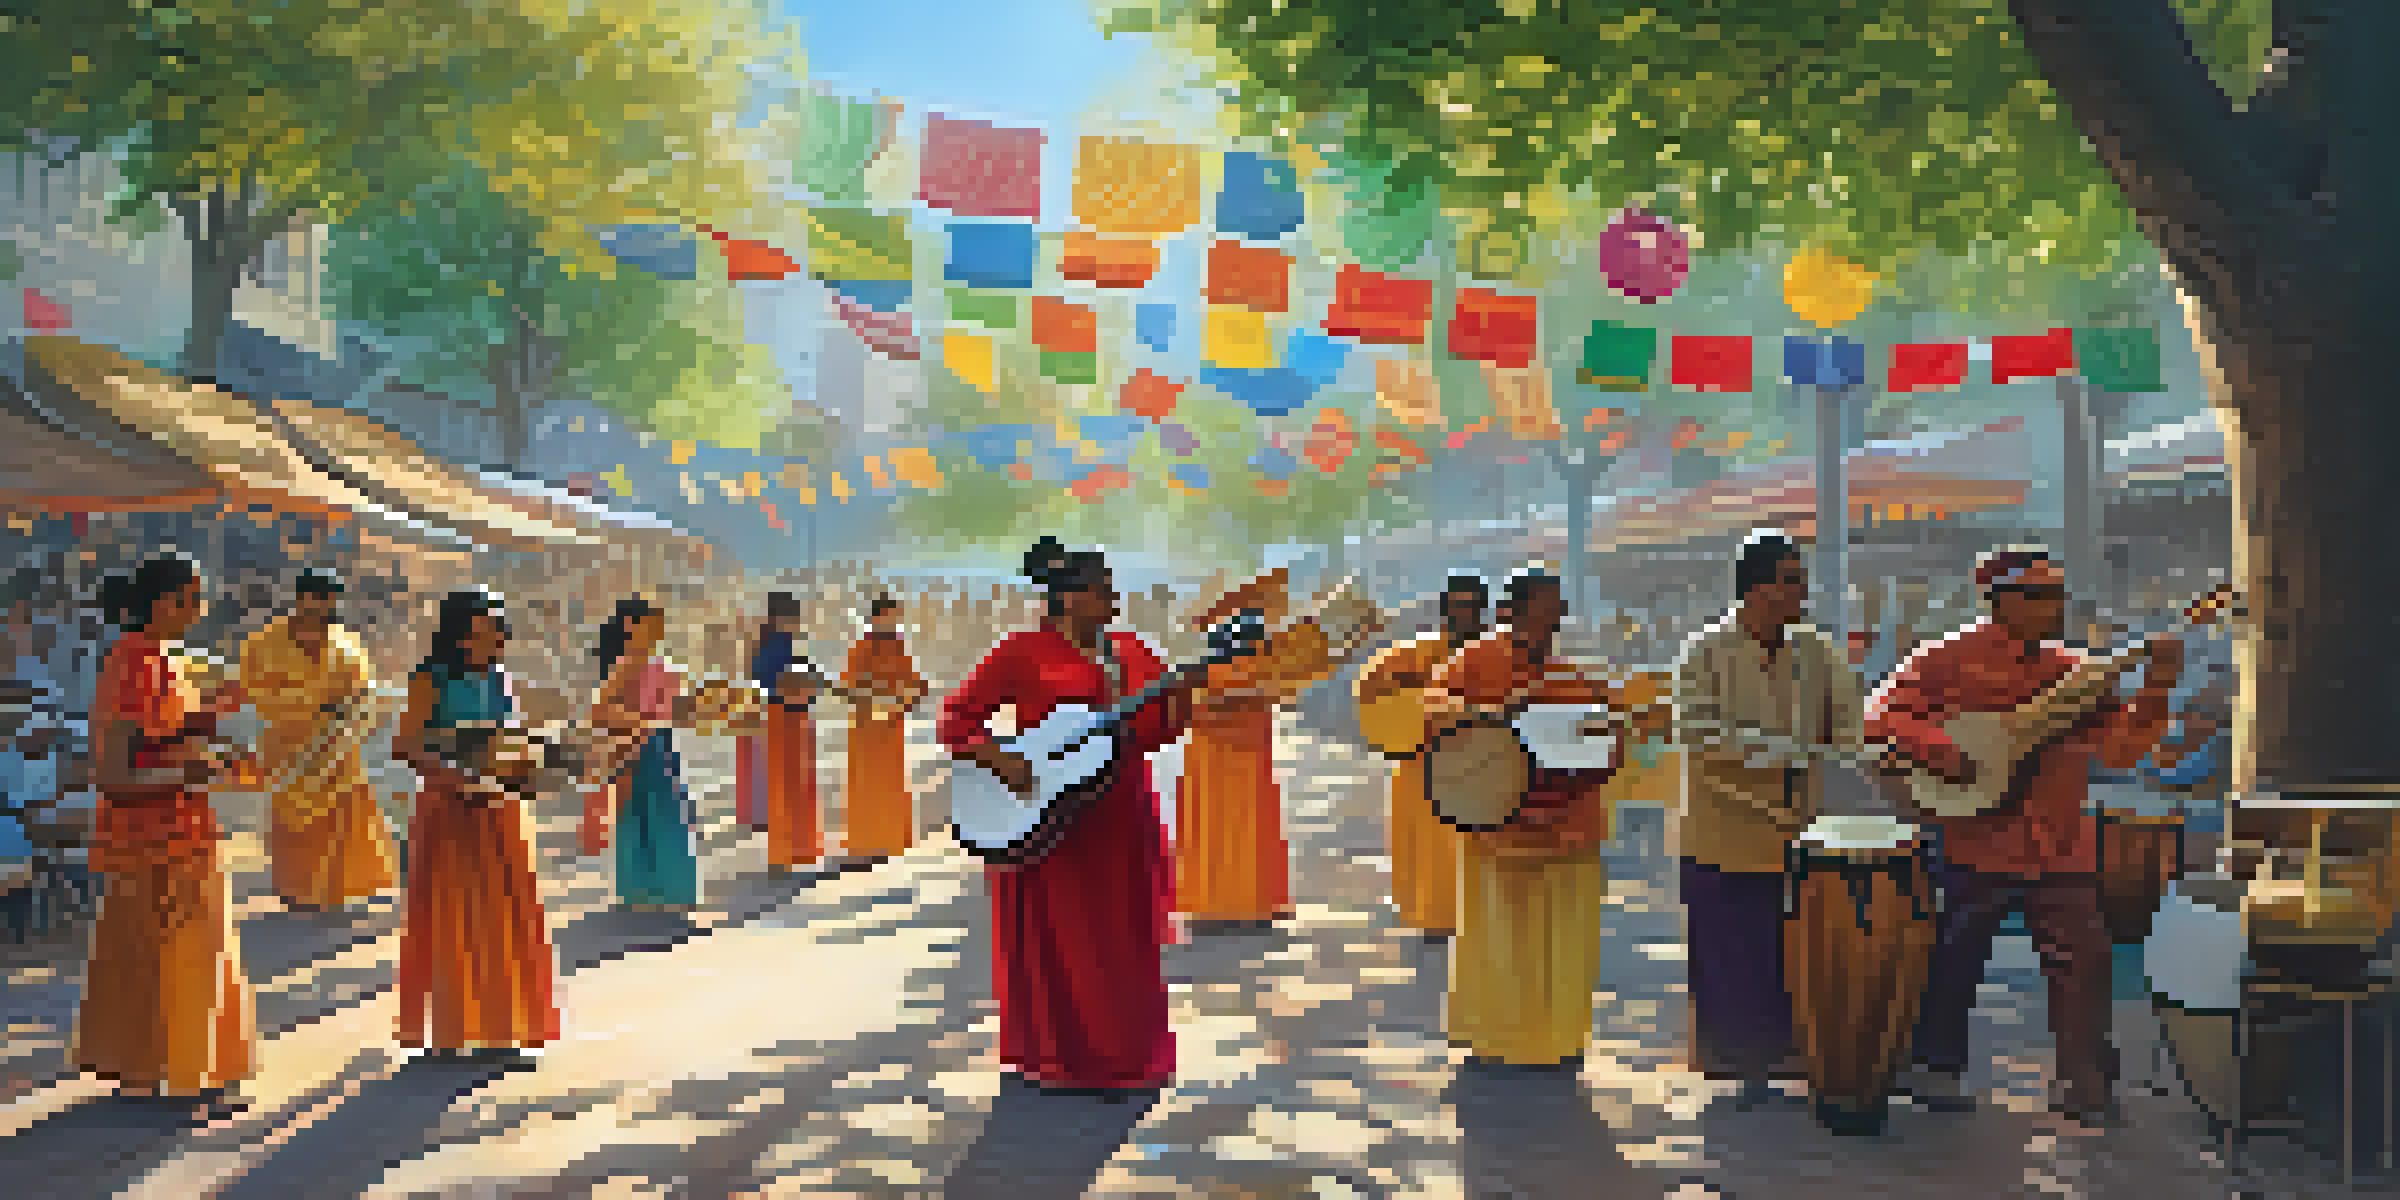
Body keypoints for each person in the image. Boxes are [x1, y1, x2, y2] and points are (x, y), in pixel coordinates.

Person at [1870, 547, 2179, 1128]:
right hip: (1976, 836)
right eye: (2039, 595)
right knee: (1955, 955)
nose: (2054, 605)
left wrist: (2157, 688)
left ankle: (2083, 1082)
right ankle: (1933, 1067)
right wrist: (1943, 751)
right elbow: (1883, 716)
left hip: (2059, 841)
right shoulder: (1946, 659)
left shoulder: (2077, 673)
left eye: (2057, 593)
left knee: (2085, 959)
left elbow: (2120, 751)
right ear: (2000, 600)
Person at [934, 537, 1200, 1096]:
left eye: (1111, 588)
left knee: (1123, 934)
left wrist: (1187, 695)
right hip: (1048, 812)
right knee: (1063, 936)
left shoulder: (1131, 651)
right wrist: (999, 755)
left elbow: (1154, 729)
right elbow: (958, 718)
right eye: (1101, 590)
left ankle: (1129, 1055)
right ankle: (1056, 1057)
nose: (1113, 599)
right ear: (1067, 598)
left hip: (1120, 809)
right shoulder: (1021, 651)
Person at [1671, 531, 1865, 1108]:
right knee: (1728, 947)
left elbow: (1850, 724)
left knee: (1790, 946)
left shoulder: (1818, 650)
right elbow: (1697, 736)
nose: (1801, 589)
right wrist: (1788, 750)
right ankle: (1730, 1058)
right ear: (1754, 588)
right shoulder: (1703, 651)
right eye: (1789, 578)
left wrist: (1865, 754)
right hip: (1720, 829)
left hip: (1799, 829)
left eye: (1800, 577)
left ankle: (1785, 1051)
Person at [72, 554, 256, 1117]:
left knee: (157, 955)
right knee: (179, 957)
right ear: (162, 603)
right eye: (191, 599)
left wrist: (210, 721)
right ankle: (181, 1075)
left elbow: (165, 734)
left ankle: (159, 1069)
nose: (199, 610)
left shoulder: (161, 660)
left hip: (180, 830)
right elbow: (115, 774)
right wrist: (192, 770)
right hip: (155, 837)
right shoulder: (133, 664)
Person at [1430, 565, 1628, 1067]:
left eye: (1555, 613)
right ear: (1508, 613)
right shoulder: (1470, 663)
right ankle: (1497, 1040)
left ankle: (1557, 1040)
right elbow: (1433, 713)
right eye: (1540, 613)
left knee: (1565, 939)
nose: (1551, 623)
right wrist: (1498, 714)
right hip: (1499, 827)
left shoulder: (1571, 674)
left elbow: (1604, 735)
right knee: (1499, 934)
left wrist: (1613, 723)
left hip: (1569, 827)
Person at [390, 589, 557, 1061]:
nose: (501, 633)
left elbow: (509, 739)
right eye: (490, 625)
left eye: (501, 624)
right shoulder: (432, 678)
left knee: (505, 919)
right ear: (463, 633)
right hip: (451, 810)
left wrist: (536, 761)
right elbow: (405, 745)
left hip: (502, 809)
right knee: (453, 920)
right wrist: (458, 779)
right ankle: (452, 1033)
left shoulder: (501, 677)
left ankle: (503, 1031)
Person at [1174, 568, 1340, 927]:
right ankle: (1250, 904)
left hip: (1218, 759)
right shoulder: (1258, 669)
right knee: (1246, 831)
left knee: (1216, 832)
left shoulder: (1214, 672)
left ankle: (1212, 905)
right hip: (1239, 758)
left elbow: (1193, 708)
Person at [238, 568, 397, 912]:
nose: (322, 609)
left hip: (339, 747)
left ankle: (336, 892)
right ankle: (295, 891)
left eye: (329, 602)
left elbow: (363, 693)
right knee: (294, 823)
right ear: (299, 600)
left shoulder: (347, 643)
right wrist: (313, 705)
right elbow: (256, 694)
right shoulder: (264, 643)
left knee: (341, 819)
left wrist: (352, 715)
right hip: (289, 749)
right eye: (315, 600)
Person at [1353, 573, 1490, 937]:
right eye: (1457, 606)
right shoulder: (1410, 655)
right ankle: (1433, 918)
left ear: (1484, 612)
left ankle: (1482, 917)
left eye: (1472, 607)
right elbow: (1372, 695)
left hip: (1485, 767)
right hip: (1423, 769)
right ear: (1445, 611)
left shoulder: (1498, 657)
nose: (1464, 614)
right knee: (1429, 851)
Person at [591, 597, 699, 910]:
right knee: (638, 818)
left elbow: (678, 712)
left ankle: (673, 891)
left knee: (669, 817)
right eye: (652, 623)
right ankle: (642, 893)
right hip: (635, 750)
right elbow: (600, 712)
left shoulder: (662, 666)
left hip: (662, 748)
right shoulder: (625, 665)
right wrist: (642, 721)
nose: (658, 629)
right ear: (632, 627)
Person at [840, 594, 927, 861]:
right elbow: (848, 685)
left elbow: (910, 680)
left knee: (890, 780)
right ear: (876, 618)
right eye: (889, 616)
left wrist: (914, 692)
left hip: (890, 724)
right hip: (867, 725)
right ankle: (865, 840)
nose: (893, 621)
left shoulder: (899, 647)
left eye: (896, 617)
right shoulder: (862, 647)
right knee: (867, 781)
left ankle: (891, 838)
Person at [743, 592, 822, 870]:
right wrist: (807, 683)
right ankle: (790, 852)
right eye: (793, 617)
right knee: (790, 786)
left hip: (791, 717)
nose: (797, 623)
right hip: (785, 717)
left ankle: (796, 851)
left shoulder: (779, 645)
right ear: (781, 618)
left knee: (794, 785)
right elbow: (770, 684)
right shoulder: (773, 647)